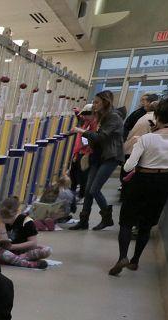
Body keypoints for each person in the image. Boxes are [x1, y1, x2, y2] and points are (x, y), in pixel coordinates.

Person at [110, 97, 168, 276]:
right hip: (165, 181)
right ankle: (135, 261)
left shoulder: (147, 139)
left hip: (142, 179)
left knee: (126, 221)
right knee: (147, 224)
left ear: (156, 115)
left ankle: (122, 257)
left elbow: (128, 166)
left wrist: (135, 144)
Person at [68, 91, 124, 231]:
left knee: (94, 189)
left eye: (97, 102)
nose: (94, 104)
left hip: (110, 156)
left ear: (106, 102)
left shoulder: (113, 117)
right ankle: (83, 221)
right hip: (97, 156)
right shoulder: (100, 116)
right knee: (88, 190)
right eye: (94, 101)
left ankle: (107, 217)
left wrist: (80, 131)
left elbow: (101, 137)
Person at [0, 196, 52, 268]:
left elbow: (33, 243)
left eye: (9, 217)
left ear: (17, 212)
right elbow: (2, 245)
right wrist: (1, 226)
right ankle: (28, 263)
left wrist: (12, 247)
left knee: (47, 250)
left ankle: (18, 259)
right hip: (7, 252)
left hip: (23, 250)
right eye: (4, 217)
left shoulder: (26, 221)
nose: (6, 220)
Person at [69, 107, 96, 202]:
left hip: (85, 153)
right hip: (78, 152)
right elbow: (80, 117)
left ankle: (81, 195)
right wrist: (76, 111)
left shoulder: (94, 124)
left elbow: (89, 139)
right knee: (73, 174)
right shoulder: (86, 121)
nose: (83, 117)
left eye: (85, 115)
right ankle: (72, 193)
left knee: (83, 175)